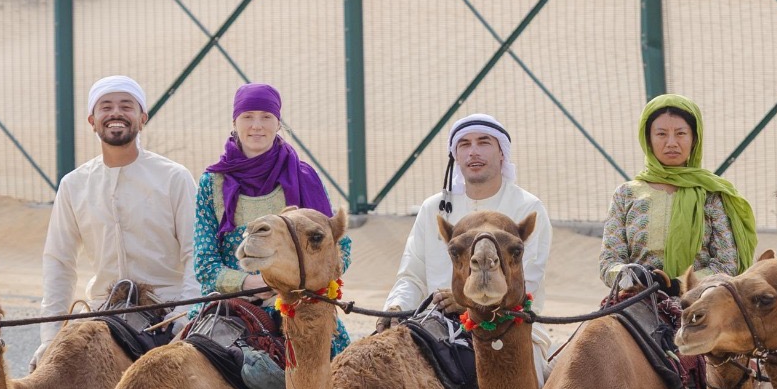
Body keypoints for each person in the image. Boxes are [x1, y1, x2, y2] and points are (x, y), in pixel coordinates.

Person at [38, 75, 198, 351]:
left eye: (126, 106)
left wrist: (185, 317)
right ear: (92, 120)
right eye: (106, 106)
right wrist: (50, 340)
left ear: (142, 118)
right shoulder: (74, 185)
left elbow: (195, 252)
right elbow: (59, 263)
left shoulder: (175, 178)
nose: (116, 113)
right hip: (103, 316)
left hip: (169, 315)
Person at [192, 81, 350, 353]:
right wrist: (250, 285)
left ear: (278, 123)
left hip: (294, 303)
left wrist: (288, 283)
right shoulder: (211, 183)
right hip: (228, 304)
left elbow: (340, 249)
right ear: (235, 122)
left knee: (340, 373)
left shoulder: (303, 177)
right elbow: (205, 264)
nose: (257, 125)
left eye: (266, 117)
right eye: (248, 116)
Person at [387, 113, 551, 313]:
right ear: (456, 156)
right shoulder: (433, 208)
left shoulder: (528, 208)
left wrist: (468, 304)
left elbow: (527, 282)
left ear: (502, 153)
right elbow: (412, 276)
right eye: (464, 145)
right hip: (435, 322)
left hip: (509, 328)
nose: (473, 152)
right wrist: (396, 307)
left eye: (483, 143)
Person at [599, 93, 757, 291]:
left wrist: (679, 284)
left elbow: (727, 264)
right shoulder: (625, 194)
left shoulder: (711, 195)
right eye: (661, 134)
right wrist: (634, 275)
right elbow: (609, 261)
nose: (671, 143)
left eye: (681, 133)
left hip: (699, 301)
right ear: (648, 139)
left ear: (694, 139)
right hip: (635, 299)